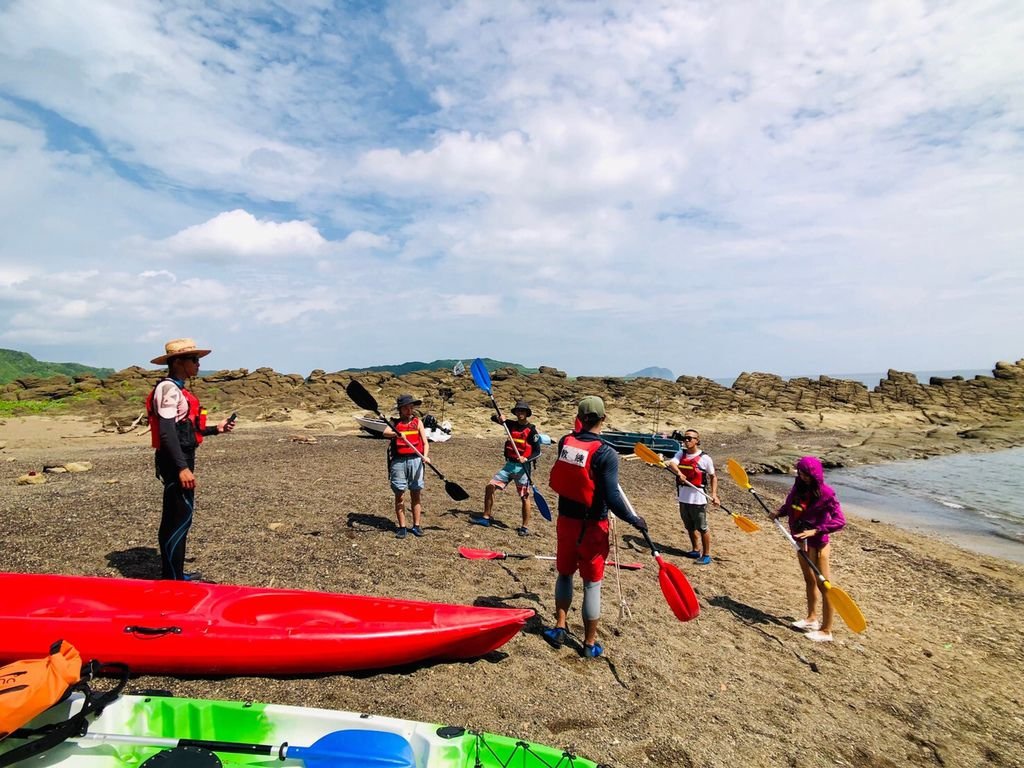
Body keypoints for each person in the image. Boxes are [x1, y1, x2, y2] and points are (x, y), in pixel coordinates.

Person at [544, 396, 648, 658]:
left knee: (565, 575)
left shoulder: (565, 442)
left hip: (566, 521)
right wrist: (634, 520)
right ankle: (589, 644)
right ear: (603, 418)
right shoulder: (606, 453)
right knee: (591, 585)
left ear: (580, 417)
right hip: (592, 526)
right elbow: (613, 497)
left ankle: (559, 627)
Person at [146, 338, 235, 581]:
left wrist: (217, 428)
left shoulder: (177, 388)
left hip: (180, 457)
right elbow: (166, 431)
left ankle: (174, 573)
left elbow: (184, 429)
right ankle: (173, 578)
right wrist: (182, 468)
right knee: (178, 518)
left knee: (179, 517)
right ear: (178, 362)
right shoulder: (168, 389)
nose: (198, 364)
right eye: (194, 360)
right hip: (176, 461)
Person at [770, 456, 846, 643]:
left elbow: (840, 520)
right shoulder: (798, 487)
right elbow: (791, 506)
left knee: (824, 586)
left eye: (806, 474)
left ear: (814, 474)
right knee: (809, 580)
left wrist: (816, 530)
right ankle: (812, 618)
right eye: (800, 473)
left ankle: (827, 630)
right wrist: (779, 512)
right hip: (799, 540)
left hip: (818, 543)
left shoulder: (826, 493)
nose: (802, 477)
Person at [473, 399, 540, 536]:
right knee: (490, 486)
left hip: (523, 468)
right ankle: (486, 517)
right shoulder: (510, 424)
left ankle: (524, 527)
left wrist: (526, 458)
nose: (520, 413)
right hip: (509, 466)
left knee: (524, 496)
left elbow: (537, 451)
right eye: (518, 411)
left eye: (523, 411)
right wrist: (499, 418)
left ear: (527, 413)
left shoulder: (532, 430)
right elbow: (493, 418)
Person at [667, 429, 720, 565]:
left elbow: (713, 477)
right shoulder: (681, 453)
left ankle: (706, 555)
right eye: (685, 438)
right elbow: (672, 463)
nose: (687, 440)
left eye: (690, 438)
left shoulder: (705, 458)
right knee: (689, 526)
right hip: (683, 497)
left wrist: (714, 495)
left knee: (702, 528)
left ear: (697, 440)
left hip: (698, 499)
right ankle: (695, 549)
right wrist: (679, 473)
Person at [382, 393, 430, 539]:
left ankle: (416, 525)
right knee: (400, 495)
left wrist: (425, 456)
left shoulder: (418, 422)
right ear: (400, 409)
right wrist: (398, 434)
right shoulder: (394, 423)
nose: (409, 410)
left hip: (416, 460)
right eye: (406, 408)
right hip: (399, 462)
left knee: (416, 494)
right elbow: (385, 433)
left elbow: (425, 442)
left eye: (411, 407)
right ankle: (402, 527)